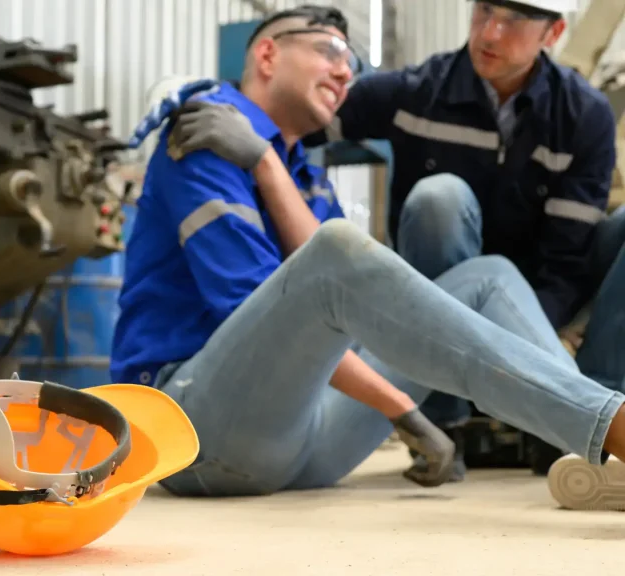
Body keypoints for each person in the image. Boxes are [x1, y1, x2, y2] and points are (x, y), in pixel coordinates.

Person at [111, 5, 625, 508]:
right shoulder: (207, 135)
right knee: (342, 247)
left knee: (487, 278)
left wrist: (268, 162)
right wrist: (400, 407)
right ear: (267, 54)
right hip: (197, 433)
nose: (343, 71)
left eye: (351, 61)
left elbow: (343, 316)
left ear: (551, 33)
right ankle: (613, 427)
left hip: (301, 440)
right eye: (328, 50)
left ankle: (590, 447)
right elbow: (260, 302)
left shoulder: (301, 176)